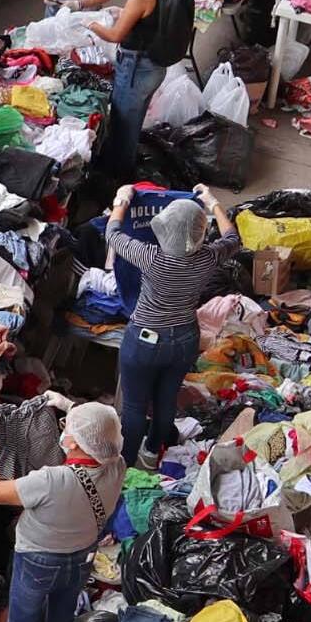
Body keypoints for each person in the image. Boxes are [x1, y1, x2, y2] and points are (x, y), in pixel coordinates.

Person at [0, 402, 124, 622]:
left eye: (68, 428)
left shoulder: (51, 481)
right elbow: (98, 432)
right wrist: (66, 405)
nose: (64, 432)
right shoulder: (117, 466)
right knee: (60, 619)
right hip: (81, 558)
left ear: (72, 442)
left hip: (37, 562)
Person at [104, 184, 241, 466]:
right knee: (166, 399)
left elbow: (112, 233)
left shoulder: (151, 257)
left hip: (143, 341)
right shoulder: (208, 257)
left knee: (134, 406)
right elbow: (233, 237)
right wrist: (212, 202)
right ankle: (152, 452)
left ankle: (125, 465)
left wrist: (123, 197)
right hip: (184, 340)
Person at [82, 0, 193, 177]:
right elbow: (149, 22)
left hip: (136, 68)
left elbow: (114, 35)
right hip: (155, 68)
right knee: (135, 119)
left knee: (123, 123)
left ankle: (118, 175)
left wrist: (91, 24)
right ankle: (126, 162)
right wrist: (120, 13)